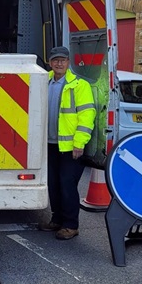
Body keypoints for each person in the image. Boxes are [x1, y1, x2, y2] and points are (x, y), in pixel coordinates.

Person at [39, 46, 95, 240]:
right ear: (50, 62)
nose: (59, 63)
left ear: (68, 62)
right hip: (49, 144)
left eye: (63, 60)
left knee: (67, 184)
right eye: (55, 60)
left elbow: (87, 116)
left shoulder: (80, 85)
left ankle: (71, 225)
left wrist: (79, 143)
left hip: (71, 146)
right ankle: (57, 219)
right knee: (53, 184)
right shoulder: (42, 80)